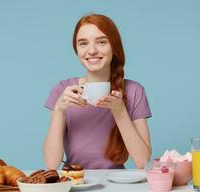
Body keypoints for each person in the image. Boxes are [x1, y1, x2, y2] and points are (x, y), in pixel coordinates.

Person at [43, 13, 152, 169]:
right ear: (77, 50)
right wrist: (59, 110)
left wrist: (120, 111)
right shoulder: (62, 90)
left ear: (114, 47)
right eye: (83, 43)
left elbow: (143, 162)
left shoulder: (134, 91)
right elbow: (51, 163)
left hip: (116, 187)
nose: (92, 50)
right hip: (75, 183)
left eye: (101, 42)